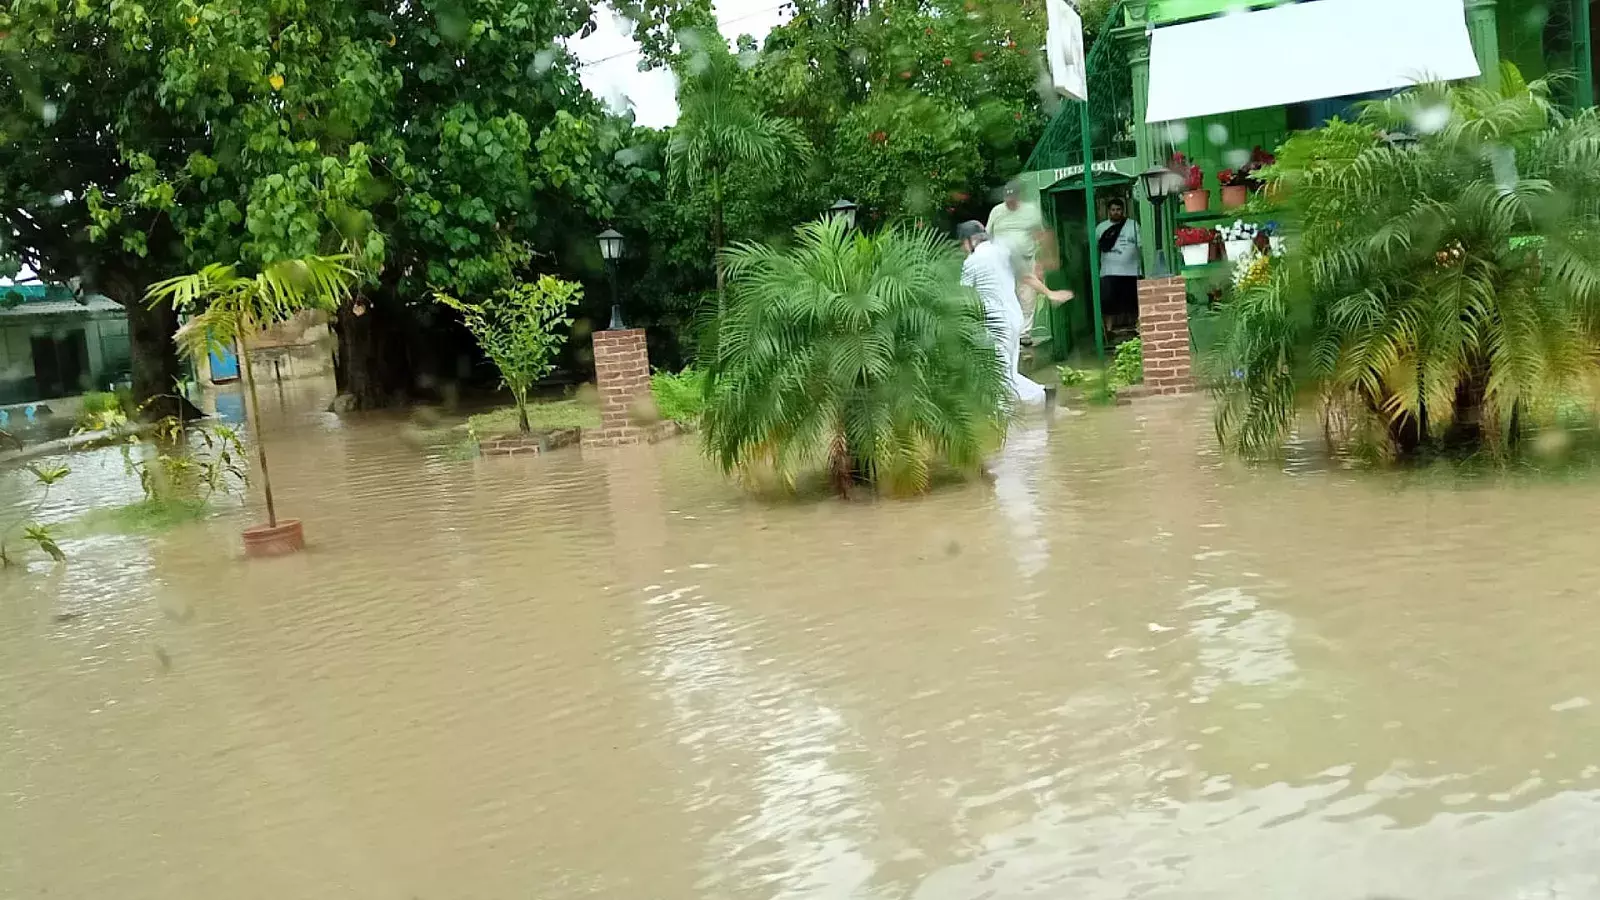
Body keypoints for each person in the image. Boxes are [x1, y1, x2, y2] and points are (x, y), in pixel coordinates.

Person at [957, 221, 1070, 408]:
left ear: (970, 240)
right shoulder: (1003, 252)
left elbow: (965, 297)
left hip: (995, 325)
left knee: (998, 377)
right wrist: (1050, 293)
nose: (963, 249)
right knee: (1006, 372)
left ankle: (1010, 420)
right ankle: (1044, 396)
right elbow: (1026, 276)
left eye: (962, 244)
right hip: (1014, 319)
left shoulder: (972, 262)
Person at [986, 181, 1049, 339]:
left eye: (1012, 197)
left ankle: (1024, 334)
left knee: (1027, 297)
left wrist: (1040, 263)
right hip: (1003, 262)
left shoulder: (1030, 211)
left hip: (1026, 260)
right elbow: (989, 235)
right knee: (1005, 297)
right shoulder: (997, 211)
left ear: (1019, 196)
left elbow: (1040, 236)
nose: (1010, 201)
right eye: (1007, 197)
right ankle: (1007, 333)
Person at [1095, 198, 1141, 336]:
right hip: (1109, 272)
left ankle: (1137, 329)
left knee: (1133, 303)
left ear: (1123, 210)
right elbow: (1096, 247)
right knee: (1109, 304)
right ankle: (1108, 331)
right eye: (1113, 210)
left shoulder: (1133, 225)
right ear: (1108, 211)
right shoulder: (1101, 228)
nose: (1116, 212)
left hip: (1131, 271)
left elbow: (1141, 245)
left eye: (1118, 209)